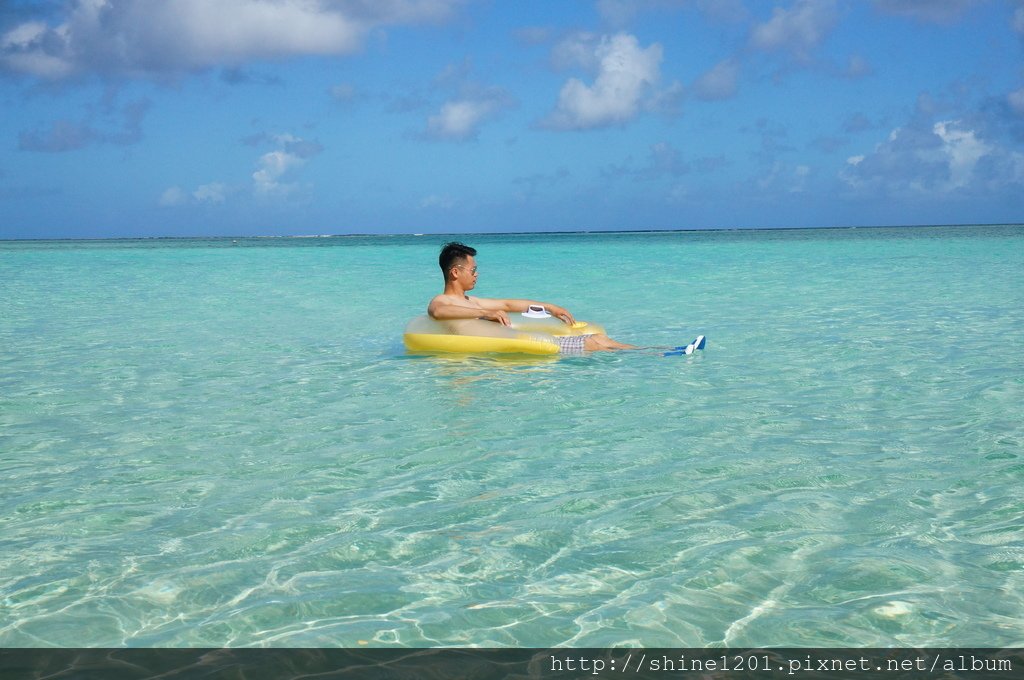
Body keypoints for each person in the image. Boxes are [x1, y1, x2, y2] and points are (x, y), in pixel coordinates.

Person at [427, 242, 644, 353]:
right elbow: (437, 311)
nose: (477, 274)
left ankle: (652, 352)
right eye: (473, 270)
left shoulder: (470, 301)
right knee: (593, 343)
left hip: (523, 341)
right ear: (456, 272)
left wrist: (549, 307)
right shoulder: (443, 300)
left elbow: (508, 304)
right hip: (520, 346)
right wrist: (485, 313)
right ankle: (649, 357)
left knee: (599, 338)